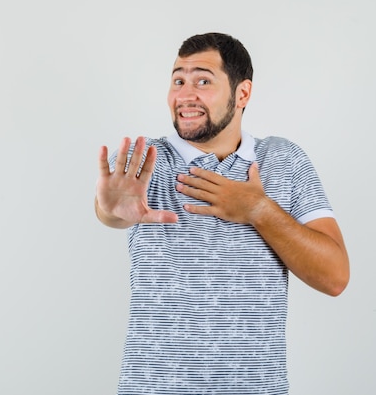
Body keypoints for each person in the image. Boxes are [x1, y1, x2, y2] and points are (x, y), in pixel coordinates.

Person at [94, 32, 349, 395]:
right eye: (178, 80)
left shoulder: (282, 161)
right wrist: (110, 211)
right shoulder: (146, 159)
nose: (185, 94)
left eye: (203, 81)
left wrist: (259, 210)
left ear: (242, 93)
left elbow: (334, 277)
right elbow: (111, 212)